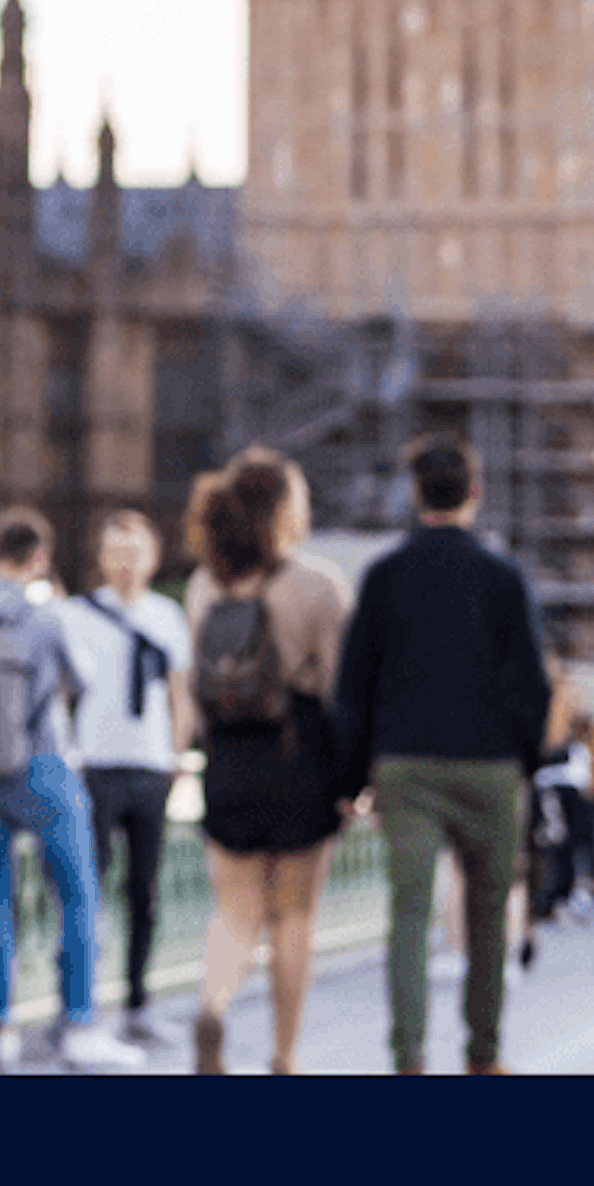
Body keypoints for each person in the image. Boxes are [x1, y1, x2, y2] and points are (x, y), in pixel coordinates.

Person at [330, 433, 552, 1075]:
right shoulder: (504, 578)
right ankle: (483, 1055)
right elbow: (532, 685)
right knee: (487, 916)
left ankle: (409, 1056)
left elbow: (354, 688)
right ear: (474, 495)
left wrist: (350, 777)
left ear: (413, 493)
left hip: (406, 768)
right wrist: (523, 757)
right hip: (488, 766)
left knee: (409, 916)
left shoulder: (383, 577)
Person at [0, 510, 149, 1070]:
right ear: (38, 558)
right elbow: (84, 680)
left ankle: (0, 1027)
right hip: (43, 765)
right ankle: (76, 1024)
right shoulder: (46, 615)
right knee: (77, 896)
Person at [177, 449, 354, 1076]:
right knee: (294, 917)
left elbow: (196, 687)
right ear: (284, 511)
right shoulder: (318, 585)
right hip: (299, 753)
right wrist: (353, 779)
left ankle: (213, 1009)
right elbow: (341, 692)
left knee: (235, 909)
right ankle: (283, 1055)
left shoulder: (203, 585)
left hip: (227, 759)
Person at [62, 507, 195, 1044]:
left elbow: (181, 694)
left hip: (150, 767)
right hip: (95, 764)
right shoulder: (77, 614)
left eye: (135, 552)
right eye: (116, 551)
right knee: (86, 890)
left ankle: (138, 1003)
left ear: (153, 558)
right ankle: (82, 1005)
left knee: (144, 891)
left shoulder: (166, 615)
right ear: (101, 557)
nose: (125, 563)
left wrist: (176, 756)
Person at [529, 662, 594, 932]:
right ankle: (552, 900)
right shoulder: (548, 718)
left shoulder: (585, 727)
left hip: (579, 796)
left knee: (575, 846)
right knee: (555, 846)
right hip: (555, 795)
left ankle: (574, 894)